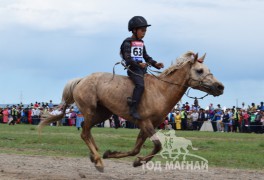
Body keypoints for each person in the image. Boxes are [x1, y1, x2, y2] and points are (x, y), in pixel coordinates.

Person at [120, 16, 164, 120]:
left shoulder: (141, 43)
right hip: (133, 69)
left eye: (145, 31)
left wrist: (155, 64)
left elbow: (146, 57)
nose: (144, 33)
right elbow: (128, 59)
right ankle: (133, 109)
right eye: (142, 30)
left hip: (141, 69)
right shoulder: (127, 42)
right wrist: (139, 65)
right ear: (134, 30)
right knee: (140, 85)